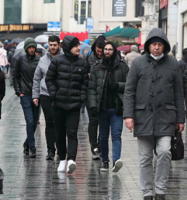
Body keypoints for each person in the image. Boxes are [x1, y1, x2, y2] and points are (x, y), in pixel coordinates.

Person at [123, 28, 185, 200]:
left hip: (166, 116)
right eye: (153, 44)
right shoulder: (138, 63)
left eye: (159, 45)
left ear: (164, 46)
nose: (156, 48)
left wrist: (180, 118)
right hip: (143, 117)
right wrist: (128, 115)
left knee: (165, 152)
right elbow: (129, 91)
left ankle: (160, 191)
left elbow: (178, 93)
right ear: (148, 46)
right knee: (144, 158)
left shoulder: (173, 63)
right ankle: (147, 194)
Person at [46, 35, 88, 174]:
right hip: (58, 104)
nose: (79, 48)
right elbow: (49, 79)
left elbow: (85, 83)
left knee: (72, 132)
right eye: (76, 46)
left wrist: (82, 97)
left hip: (74, 105)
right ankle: (62, 159)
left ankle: (71, 160)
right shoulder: (57, 61)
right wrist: (54, 94)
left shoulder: (82, 63)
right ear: (69, 47)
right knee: (59, 134)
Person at [88, 41, 129, 172]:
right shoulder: (96, 67)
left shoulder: (123, 67)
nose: (107, 51)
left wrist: (118, 86)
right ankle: (105, 161)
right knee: (103, 137)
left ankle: (116, 160)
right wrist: (93, 106)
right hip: (102, 107)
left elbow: (130, 85)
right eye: (105, 49)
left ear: (114, 51)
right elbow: (92, 89)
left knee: (116, 135)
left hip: (117, 107)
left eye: (110, 49)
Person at [32, 35, 62, 160]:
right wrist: (35, 95)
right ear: (48, 45)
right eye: (51, 45)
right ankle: (50, 150)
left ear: (59, 45)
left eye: (55, 45)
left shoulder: (64, 58)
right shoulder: (43, 59)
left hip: (60, 94)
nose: (53, 47)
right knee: (49, 122)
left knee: (59, 122)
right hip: (45, 94)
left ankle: (60, 148)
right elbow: (37, 78)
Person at [13, 37, 40, 158]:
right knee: (29, 121)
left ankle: (26, 144)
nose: (31, 49)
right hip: (25, 94)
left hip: (36, 95)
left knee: (34, 122)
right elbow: (15, 76)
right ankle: (32, 148)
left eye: (33, 47)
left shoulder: (39, 60)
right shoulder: (20, 60)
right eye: (29, 47)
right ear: (26, 48)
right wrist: (19, 92)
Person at [86, 36, 106, 160]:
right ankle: (94, 146)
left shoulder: (108, 58)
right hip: (91, 94)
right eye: (97, 51)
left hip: (104, 95)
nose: (99, 53)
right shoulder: (89, 59)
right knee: (93, 121)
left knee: (103, 121)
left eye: (101, 51)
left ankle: (101, 145)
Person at [178, 48, 187, 125]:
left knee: (180, 101)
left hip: (181, 84)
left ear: (182, 55)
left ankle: (180, 118)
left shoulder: (180, 63)